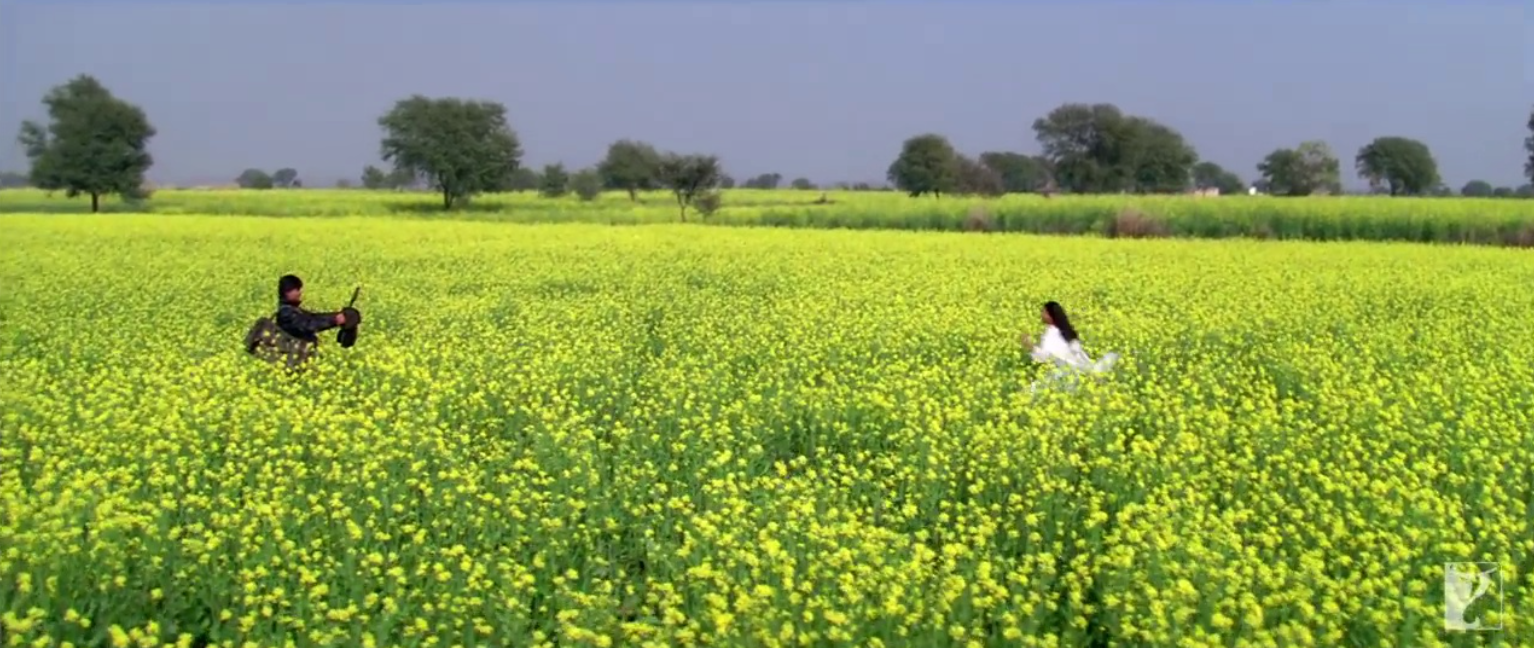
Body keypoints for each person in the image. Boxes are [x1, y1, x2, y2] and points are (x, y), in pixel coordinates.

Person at [1020, 301, 1117, 393]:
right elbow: (1079, 356)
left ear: (1051, 316)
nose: (1041, 314)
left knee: (1030, 392)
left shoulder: (1053, 334)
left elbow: (1047, 357)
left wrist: (1030, 346)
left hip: (1062, 377)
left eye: (1044, 312)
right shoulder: (1066, 331)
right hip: (1075, 376)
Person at [275, 274, 348, 343]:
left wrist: (337, 315)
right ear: (287, 292)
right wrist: (335, 320)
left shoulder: (292, 309)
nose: (299, 293)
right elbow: (308, 325)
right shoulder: (286, 313)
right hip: (294, 354)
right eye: (297, 289)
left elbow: (314, 317)